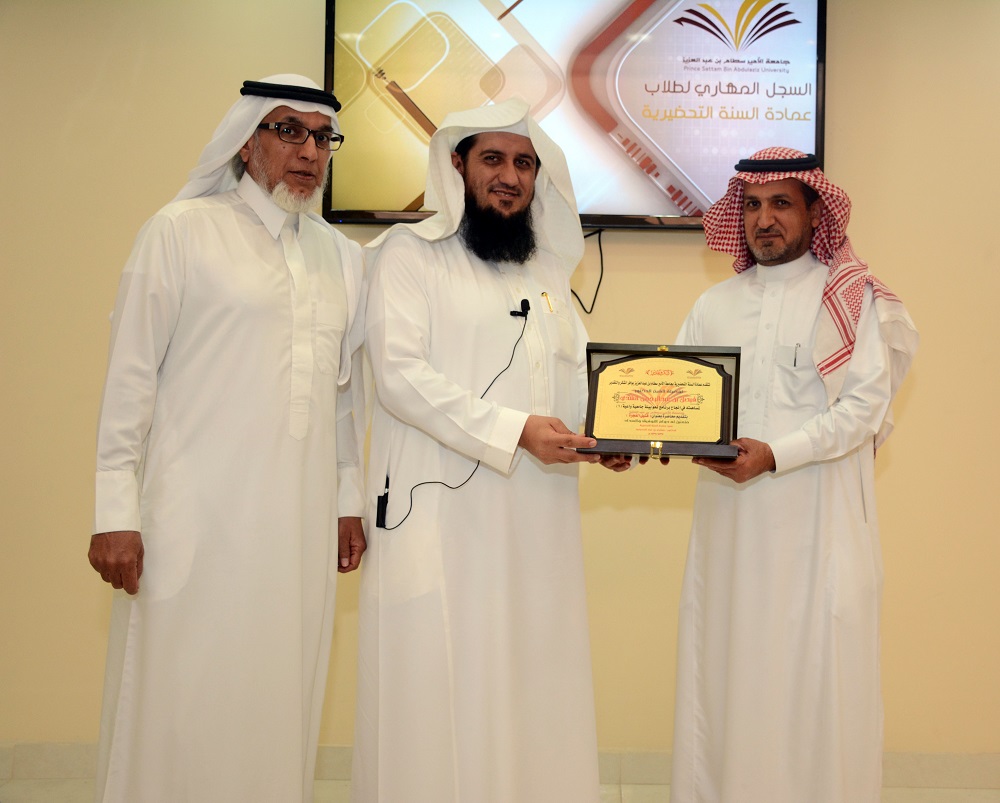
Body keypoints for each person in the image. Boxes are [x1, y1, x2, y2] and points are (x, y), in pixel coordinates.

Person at [87, 74, 367, 803]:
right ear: (247, 142)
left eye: (323, 137)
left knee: (279, 695)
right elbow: (129, 378)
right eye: (289, 131)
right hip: (193, 522)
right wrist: (114, 511)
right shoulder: (180, 232)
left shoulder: (341, 257)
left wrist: (347, 497)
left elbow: (340, 392)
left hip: (297, 529)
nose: (309, 151)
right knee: (179, 700)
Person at [351, 98, 620, 803]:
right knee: (439, 688)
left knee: (535, 682)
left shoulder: (547, 275)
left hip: (537, 522)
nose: (510, 176)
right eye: (493, 159)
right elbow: (399, 375)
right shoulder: (408, 255)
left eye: (524, 163)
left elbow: (574, 382)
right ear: (457, 166)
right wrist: (515, 430)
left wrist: (605, 437)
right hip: (439, 518)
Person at [668, 148, 919, 802]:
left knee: (816, 683)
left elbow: (861, 411)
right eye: (752, 205)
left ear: (814, 211)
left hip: (819, 530)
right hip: (731, 533)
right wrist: (639, 438)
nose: (764, 219)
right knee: (730, 675)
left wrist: (776, 454)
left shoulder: (852, 300)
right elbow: (676, 400)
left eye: (781, 203)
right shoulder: (714, 305)